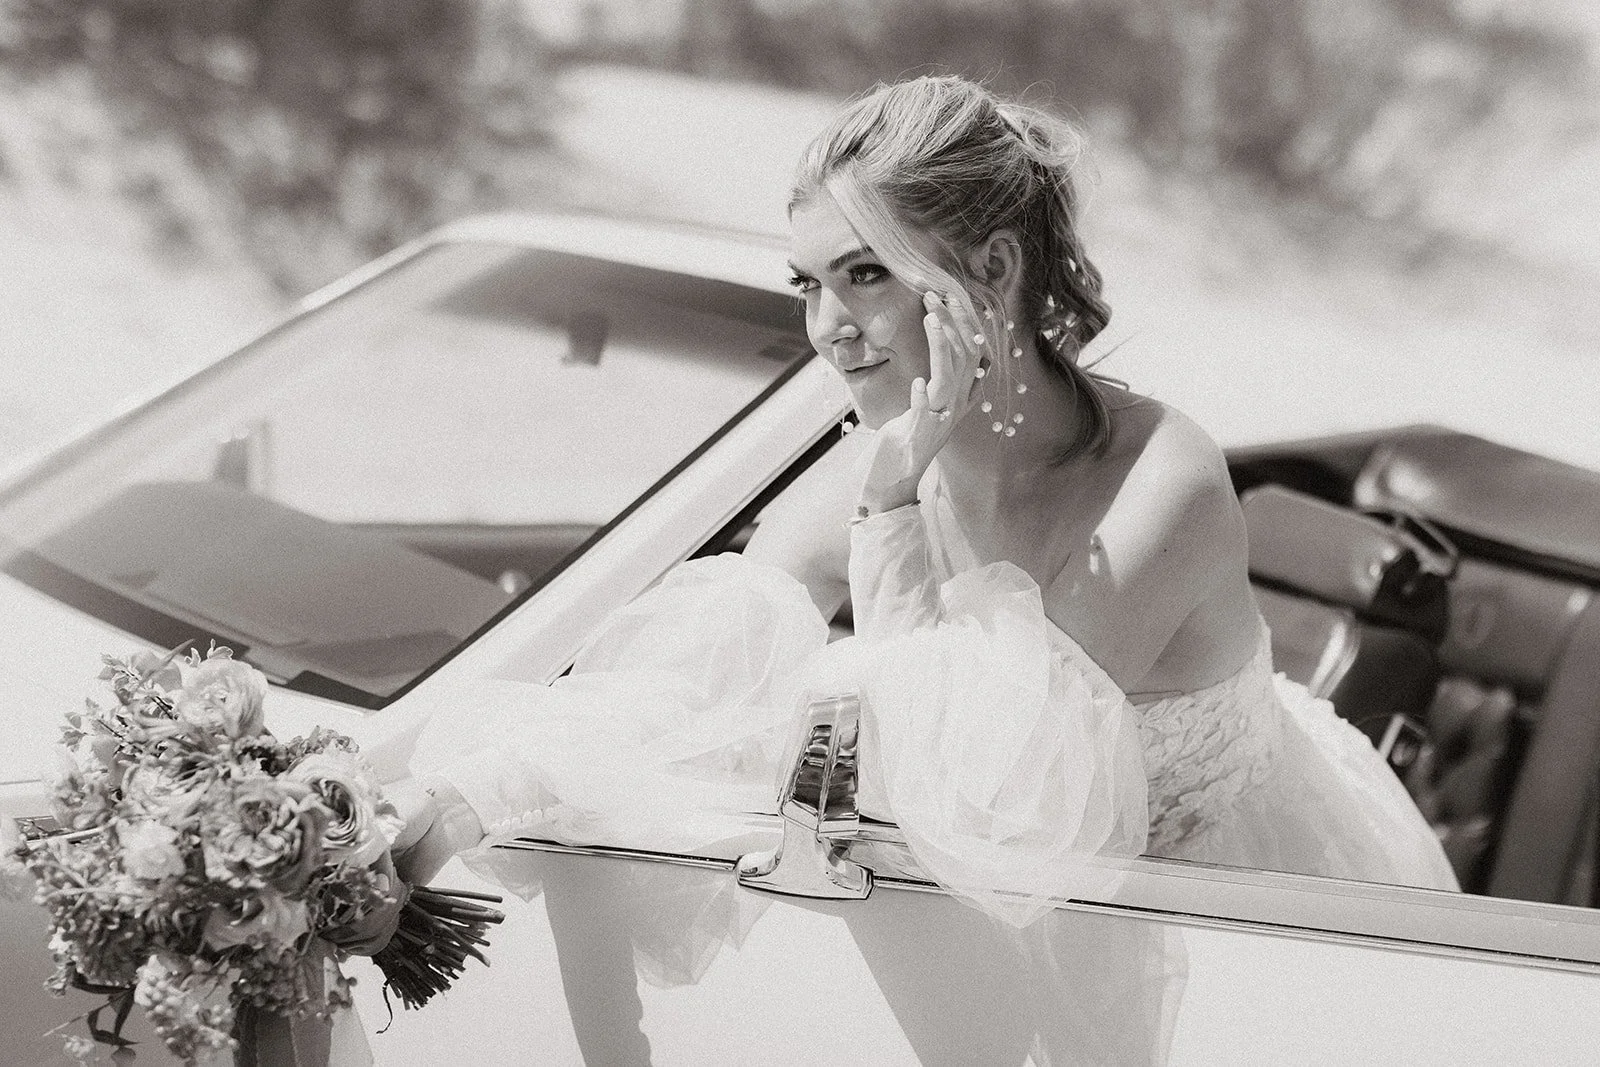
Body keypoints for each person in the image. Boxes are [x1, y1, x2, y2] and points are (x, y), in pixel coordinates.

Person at [384, 75, 1458, 926]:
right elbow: (699, 677)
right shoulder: (873, 458)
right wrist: (477, 788)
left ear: (989, 268)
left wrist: (892, 502)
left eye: (866, 275)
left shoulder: (1162, 480)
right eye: (808, 283)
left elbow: (981, 789)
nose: (828, 328)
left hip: (1241, 930)